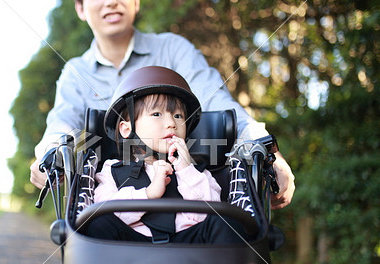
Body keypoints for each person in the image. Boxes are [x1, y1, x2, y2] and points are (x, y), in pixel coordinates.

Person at [30, 0, 295, 210]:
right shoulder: (75, 72)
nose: (111, 2)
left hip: (184, 196)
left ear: (136, 2)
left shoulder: (173, 49)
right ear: (80, 8)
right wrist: (50, 154)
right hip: (111, 207)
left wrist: (269, 150)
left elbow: (218, 100)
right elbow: (62, 122)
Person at [83, 66, 252, 244]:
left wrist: (186, 170)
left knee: (226, 221)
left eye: (178, 116)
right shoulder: (113, 169)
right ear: (127, 129)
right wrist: (148, 194)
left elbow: (208, 215)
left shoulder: (198, 173)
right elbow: (104, 209)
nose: (172, 123)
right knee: (99, 222)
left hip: (189, 246)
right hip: (133, 245)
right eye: (156, 114)